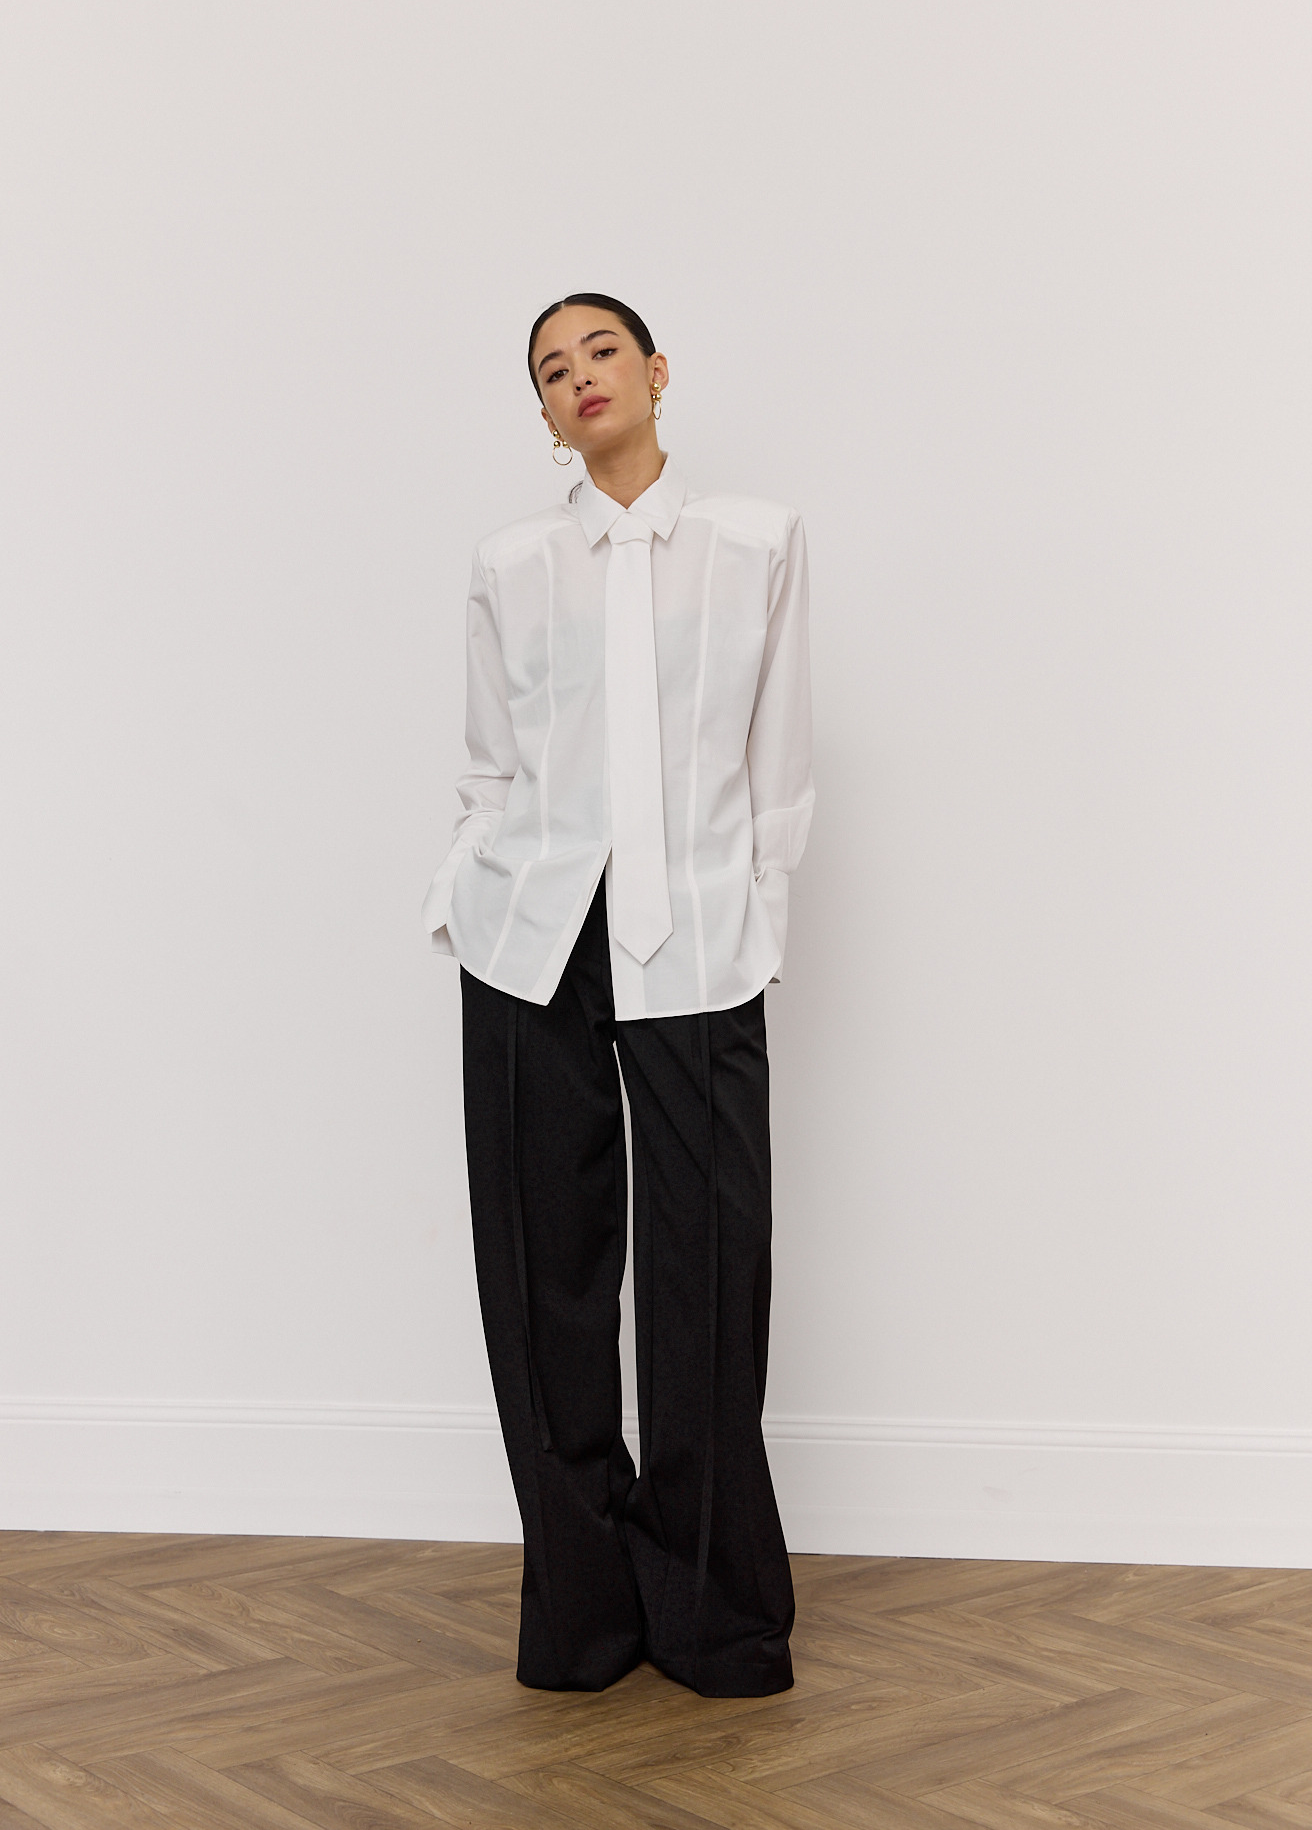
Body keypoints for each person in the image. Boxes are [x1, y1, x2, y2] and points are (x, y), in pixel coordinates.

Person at [422, 292, 814, 1698]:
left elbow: (779, 759)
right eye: (550, 370)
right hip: (532, 939)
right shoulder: (510, 563)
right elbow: (489, 765)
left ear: (654, 371)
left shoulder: (757, 542)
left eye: (599, 352)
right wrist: (468, 891)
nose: (578, 376)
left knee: (710, 1269)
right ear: (542, 416)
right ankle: (583, 1608)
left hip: (697, 937)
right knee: (548, 1276)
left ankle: (714, 1615)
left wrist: (758, 920)